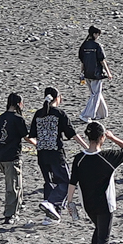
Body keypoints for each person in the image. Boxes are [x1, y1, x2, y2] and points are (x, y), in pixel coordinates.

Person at [70, 121, 123, 244]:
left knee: (98, 229)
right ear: (102, 137)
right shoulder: (108, 157)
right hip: (105, 203)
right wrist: (113, 137)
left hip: (87, 205)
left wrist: (70, 204)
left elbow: (72, 183)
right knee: (104, 235)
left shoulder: (78, 159)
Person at [31, 87, 78, 221]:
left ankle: (51, 216)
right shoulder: (59, 114)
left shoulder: (39, 113)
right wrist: (87, 146)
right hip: (56, 154)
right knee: (66, 183)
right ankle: (50, 203)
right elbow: (71, 133)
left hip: (42, 155)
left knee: (49, 183)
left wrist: (40, 144)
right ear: (57, 98)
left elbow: (31, 135)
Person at [0, 92, 28, 223]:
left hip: (0, 156)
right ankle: (10, 215)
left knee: (17, 183)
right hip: (12, 157)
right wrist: (38, 144)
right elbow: (26, 136)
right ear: (19, 104)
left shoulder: (1, 117)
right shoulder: (18, 119)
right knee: (13, 186)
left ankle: (18, 207)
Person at [78, 26, 109, 122]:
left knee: (95, 93)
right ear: (95, 34)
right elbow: (102, 61)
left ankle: (102, 113)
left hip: (87, 73)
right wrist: (108, 72)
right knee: (95, 94)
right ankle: (86, 115)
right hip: (96, 74)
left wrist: (81, 72)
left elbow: (82, 61)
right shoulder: (97, 46)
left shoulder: (84, 46)